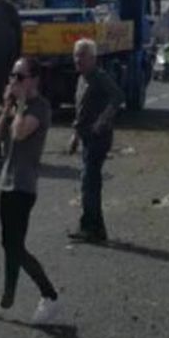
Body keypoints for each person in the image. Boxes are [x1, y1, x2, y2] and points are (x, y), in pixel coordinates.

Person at [0, 57, 60, 324]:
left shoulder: (40, 108)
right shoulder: (15, 106)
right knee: (10, 245)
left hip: (24, 186)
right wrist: (6, 108)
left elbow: (19, 134)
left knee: (14, 246)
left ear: (34, 80)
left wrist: (20, 105)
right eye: (12, 76)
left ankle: (49, 296)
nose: (14, 81)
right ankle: (7, 300)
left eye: (20, 77)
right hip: (6, 182)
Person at [67, 38, 124, 243]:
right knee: (89, 182)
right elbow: (80, 110)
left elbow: (117, 96)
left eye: (82, 55)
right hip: (85, 136)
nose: (77, 59)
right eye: (76, 55)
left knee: (89, 182)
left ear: (93, 58)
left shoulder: (99, 77)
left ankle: (90, 227)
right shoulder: (81, 79)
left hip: (98, 138)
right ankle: (95, 228)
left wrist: (102, 120)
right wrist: (75, 136)